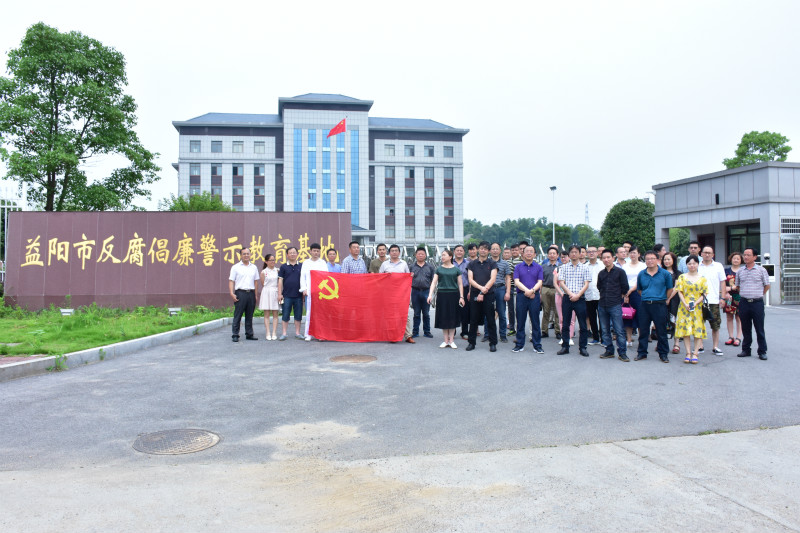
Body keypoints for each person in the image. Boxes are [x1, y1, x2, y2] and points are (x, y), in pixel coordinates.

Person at [635, 250, 674, 363]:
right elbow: (639, 290)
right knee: (643, 331)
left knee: (661, 331)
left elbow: (670, 289)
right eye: (647, 259)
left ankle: (663, 354)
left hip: (659, 305)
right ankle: (642, 353)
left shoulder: (665, 274)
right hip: (645, 305)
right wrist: (648, 296)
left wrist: (663, 298)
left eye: (652, 258)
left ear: (657, 260)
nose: (650, 261)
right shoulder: (641, 274)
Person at [733, 247, 770, 360]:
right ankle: (746, 349)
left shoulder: (761, 270)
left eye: (748, 255)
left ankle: (762, 351)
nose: (745, 257)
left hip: (757, 303)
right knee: (745, 327)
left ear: (754, 257)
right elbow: (737, 286)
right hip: (744, 302)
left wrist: (759, 294)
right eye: (744, 255)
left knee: (759, 328)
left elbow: (767, 285)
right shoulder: (740, 271)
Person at [556, 245, 591, 357]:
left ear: (580, 253)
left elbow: (586, 284)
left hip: (580, 298)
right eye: (572, 252)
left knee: (583, 325)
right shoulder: (563, 267)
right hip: (567, 298)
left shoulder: (585, 267)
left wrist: (578, 295)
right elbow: (561, 283)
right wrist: (571, 294)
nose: (574, 254)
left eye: (576, 252)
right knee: (565, 323)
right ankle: (565, 346)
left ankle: (583, 348)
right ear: (569, 254)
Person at [597, 249, 630, 361]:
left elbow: (625, 287)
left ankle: (622, 353)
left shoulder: (620, 272)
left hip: (615, 304)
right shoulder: (601, 273)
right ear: (602, 259)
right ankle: (609, 350)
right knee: (605, 330)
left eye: (608, 257)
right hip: (602, 304)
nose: (606, 260)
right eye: (604, 258)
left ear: (613, 258)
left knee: (619, 330)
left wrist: (618, 296)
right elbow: (599, 287)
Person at [427, 249, 464, 348]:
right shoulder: (439, 269)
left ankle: (451, 341)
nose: (442, 257)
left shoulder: (456, 269)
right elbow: (434, 283)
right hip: (442, 295)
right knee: (443, 317)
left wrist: (461, 297)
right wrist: (430, 295)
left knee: (452, 317)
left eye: (444, 255)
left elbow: (460, 284)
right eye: (442, 255)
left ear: (450, 257)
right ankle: (445, 341)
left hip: (454, 295)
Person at [466, 241, 498, 352]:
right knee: (473, 319)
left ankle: (493, 343)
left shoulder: (492, 263)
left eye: (485, 249)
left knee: (490, 319)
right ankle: (471, 343)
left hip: (489, 294)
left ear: (488, 251)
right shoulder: (472, 264)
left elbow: (493, 279)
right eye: (481, 248)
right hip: (475, 293)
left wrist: (483, 291)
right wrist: (481, 289)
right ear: (478, 250)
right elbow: (470, 279)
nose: (483, 250)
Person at [511, 245, 544, 354]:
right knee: (520, 321)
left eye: (531, 251)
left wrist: (532, 291)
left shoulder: (538, 267)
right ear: (523, 254)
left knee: (535, 321)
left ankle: (537, 345)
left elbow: (540, 281)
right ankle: (519, 345)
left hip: (535, 297)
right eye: (527, 251)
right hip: (521, 296)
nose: (529, 253)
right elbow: (516, 281)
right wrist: (527, 291)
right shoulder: (518, 267)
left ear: (535, 254)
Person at [675, 255, 707, 364]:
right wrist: (685, 303)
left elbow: (704, 294)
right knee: (686, 330)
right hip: (684, 307)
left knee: (697, 330)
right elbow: (679, 291)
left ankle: (695, 353)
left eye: (694, 263)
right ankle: (688, 353)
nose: (692, 265)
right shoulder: (682, 277)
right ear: (686, 265)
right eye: (689, 264)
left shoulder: (702, 278)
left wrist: (695, 303)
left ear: (698, 264)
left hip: (697, 308)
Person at [380, 244, 415, 344]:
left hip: (401, 294)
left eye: (396, 251)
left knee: (405, 314)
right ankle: (392, 335)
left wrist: (410, 275)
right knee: (389, 315)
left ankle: (408, 336)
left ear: (399, 253)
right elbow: (380, 278)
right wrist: (386, 276)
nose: (394, 252)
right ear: (389, 253)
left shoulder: (404, 264)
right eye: (392, 251)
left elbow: (408, 276)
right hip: (388, 294)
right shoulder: (385, 264)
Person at [697, 245, 728, 355]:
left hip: (714, 300)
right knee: (699, 324)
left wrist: (722, 297)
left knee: (715, 324)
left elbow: (723, 282)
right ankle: (700, 346)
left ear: (713, 255)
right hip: (699, 300)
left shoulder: (718, 266)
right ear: (701, 254)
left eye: (709, 253)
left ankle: (715, 347)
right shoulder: (697, 266)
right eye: (705, 252)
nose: (707, 254)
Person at [228, 247, 260, 342]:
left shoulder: (254, 267)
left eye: (248, 253)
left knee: (249, 315)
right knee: (238, 315)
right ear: (240, 255)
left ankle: (249, 334)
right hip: (240, 293)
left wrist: (255, 295)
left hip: (251, 293)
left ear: (250, 255)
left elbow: (256, 282)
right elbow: (231, 281)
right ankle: (235, 334)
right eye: (244, 254)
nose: (246, 255)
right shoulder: (235, 267)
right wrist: (231, 293)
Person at [299, 243, 329, 341]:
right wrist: (304, 288)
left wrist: (324, 290)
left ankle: (320, 334)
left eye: (317, 251)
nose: (316, 253)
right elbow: (302, 277)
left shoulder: (323, 263)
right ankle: (308, 333)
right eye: (314, 251)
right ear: (310, 251)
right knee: (309, 313)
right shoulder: (306, 263)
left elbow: (326, 276)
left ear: (320, 252)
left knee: (320, 313)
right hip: (309, 291)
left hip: (320, 292)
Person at [486, 242, 511, 343]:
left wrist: (507, 292)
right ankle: (487, 334)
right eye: (493, 249)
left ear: (500, 251)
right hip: (489, 289)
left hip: (501, 289)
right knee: (488, 313)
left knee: (502, 313)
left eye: (497, 249)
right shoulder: (487, 262)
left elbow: (508, 278)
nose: (495, 251)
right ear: (490, 251)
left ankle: (503, 335)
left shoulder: (505, 263)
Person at [278, 247, 304, 341]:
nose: (292, 254)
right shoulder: (283, 267)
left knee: (298, 315)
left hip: (298, 295)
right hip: (286, 295)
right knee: (285, 315)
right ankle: (284, 333)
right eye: (290, 253)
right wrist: (279, 294)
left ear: (297, 254)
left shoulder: (301, 266)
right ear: (287, 255)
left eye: (294, 252)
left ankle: (298, 333)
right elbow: (280, 281)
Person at [621, 246, 645, 347]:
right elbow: (623, 280)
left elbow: (641, 280)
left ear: (639, 254)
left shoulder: (643, 266)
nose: (632, 255)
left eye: (634, 252)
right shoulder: (625, 266)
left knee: (640, 316)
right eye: (631, 253)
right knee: (627, 315)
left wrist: (631, 290)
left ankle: (641, 339)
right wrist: (625, 293)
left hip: (638, 293)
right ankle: (629, 339)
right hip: (627, 293)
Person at [410, 247, 435, 338]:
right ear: (415, 255)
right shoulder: (411, 267)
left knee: (426, 313)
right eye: (419, 254)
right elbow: (407, 279)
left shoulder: (430, 267)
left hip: (426, 291)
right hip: (415, 291)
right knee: (416, 313)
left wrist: (431, 293)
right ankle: (415, 332)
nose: (420, 255)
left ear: (425, 255)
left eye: (422, 254)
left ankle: (427, 331)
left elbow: (433, 280)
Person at [661, 252, 682, 354]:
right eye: (665, 259)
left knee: (674, 321)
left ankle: (676, 343)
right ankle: (661, 343)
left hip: (674, 300)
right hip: (661, 298)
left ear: (673, 260)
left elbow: (676, 288)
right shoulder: (659, 271)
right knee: (661, 321)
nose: (666, 261)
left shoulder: (678, 273)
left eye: (669, 259)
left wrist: (668, 298)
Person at [583, 245, 603, 346]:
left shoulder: (602, 265)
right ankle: (595, 338)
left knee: (602, 318)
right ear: (587, 254)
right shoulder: (584, 266)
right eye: (589, 252)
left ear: (597, 253)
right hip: (589, 295)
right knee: (592, 318)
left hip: (601, 295)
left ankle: (604, 338)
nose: (591, 253)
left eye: (593, 251)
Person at [723, 252, 743, 347]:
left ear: (741, 260)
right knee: (729, 317)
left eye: (738, 259)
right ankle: (731, 337)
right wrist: (725, 292)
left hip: (740, 297)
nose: (736, 260)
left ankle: (738, 337)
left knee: (739, 317)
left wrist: (732, 288)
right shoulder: (726, 271)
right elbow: (722, 284)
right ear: (731, 259)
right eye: (734, 258)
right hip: (728, 297)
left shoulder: (743, 271)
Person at [540, 246, 560, 340]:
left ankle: (558, 331)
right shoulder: (543, 267)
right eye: (550, 253)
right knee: (546, 311)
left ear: (557, 255)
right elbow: (540, 280)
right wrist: (540, 292)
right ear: (547, 255)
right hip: (545, 289)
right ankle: (544, 331)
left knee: (557, 312)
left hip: (557, 290)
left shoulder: (561, 267)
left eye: (554, 253)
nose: (552, 255)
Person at [258, 254, 280, 340]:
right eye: (271, 260)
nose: (272, 262)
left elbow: (279, 282)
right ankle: (268, 332)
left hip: (275, 292)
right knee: (266, 314)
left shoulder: (277, 270)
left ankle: (274, 332)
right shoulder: (263, 272)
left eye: (274, 260)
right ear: (266, 262)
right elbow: (263, 283)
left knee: (275, 314)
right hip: (266, 292)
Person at [453, 244, 471, 340]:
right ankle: (452, 331)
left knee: (465, 311)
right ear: (454, 252)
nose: (459, 252)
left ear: (464, 252)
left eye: (461, 250)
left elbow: (471, 278)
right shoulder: (450, 263)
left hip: (465, 289)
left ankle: (464, 332)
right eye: (457, 250)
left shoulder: (468, 264)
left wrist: (470, 291)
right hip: (453, 290)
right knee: (453, 311)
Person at [506, 245, 522, 335]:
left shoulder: (521, 261)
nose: (514, 252)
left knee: (519, 309)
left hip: (519, 288)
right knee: (511, 309)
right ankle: (512, 328)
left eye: (516, 250)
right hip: (510, 287)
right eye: (513, 250)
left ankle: (519, 328)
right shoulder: (508, 262)